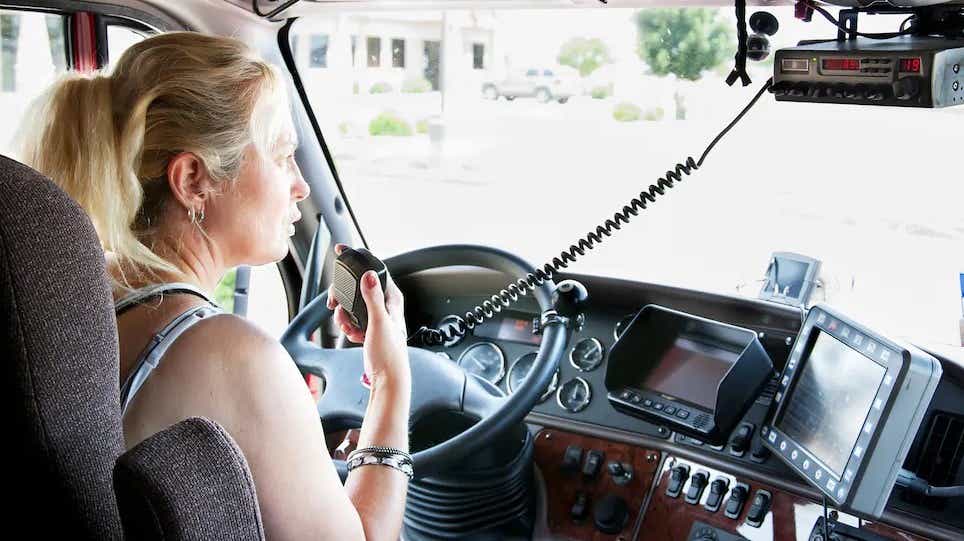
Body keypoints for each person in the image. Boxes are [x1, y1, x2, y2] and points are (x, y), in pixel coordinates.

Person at [15, 32, 411, 540]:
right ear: (194, 180)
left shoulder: (79, 297)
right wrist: (391, 381)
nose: (302, 185)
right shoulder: (233, 357)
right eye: (283, 154)